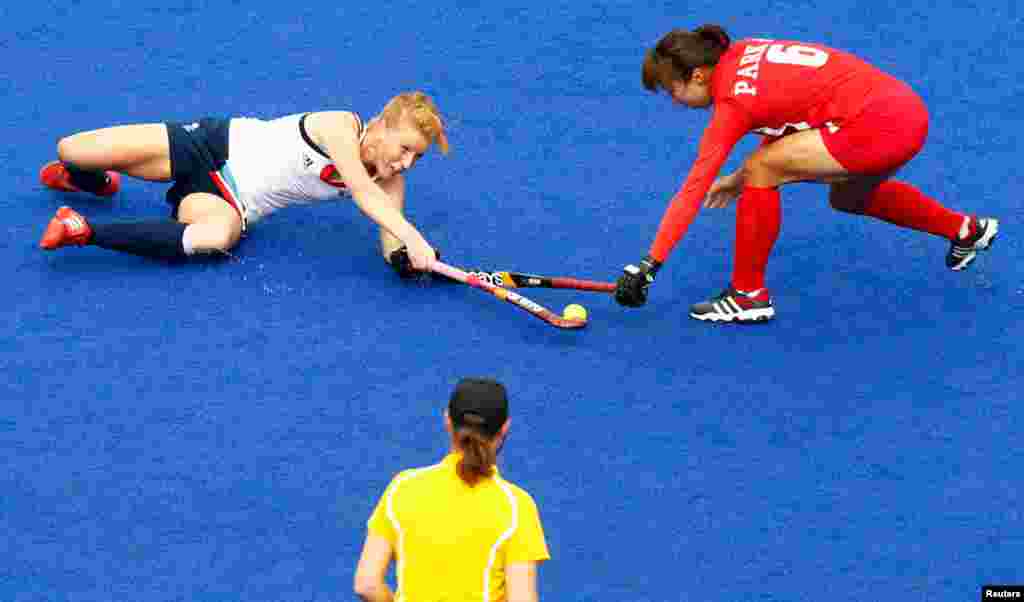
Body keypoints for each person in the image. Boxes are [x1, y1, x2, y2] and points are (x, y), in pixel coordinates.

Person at [613, 25, 999, 322]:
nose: (674, 102)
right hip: (903, 110)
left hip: (872, 126)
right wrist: (734, 181)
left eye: (671, 90)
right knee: (849, 197)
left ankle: (747, 296)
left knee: (763, 169)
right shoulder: (745, 50)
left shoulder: (732, 104)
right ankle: (965, 230)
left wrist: (650, 264)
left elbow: (694, 188)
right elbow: (789, 115)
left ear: (698, 76)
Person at [36, 91, 448, 275]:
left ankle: (85, 232)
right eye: (405, 148)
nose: (407, 162)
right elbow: (361, 192)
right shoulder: (340, 125)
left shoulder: (390, 184)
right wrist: (413, 238)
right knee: (71, 149)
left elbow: (391, 233)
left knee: (216, 238)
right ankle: (91, 181)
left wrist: (406, 259)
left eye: (417, 157)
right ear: (380, 125)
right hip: (209, 144)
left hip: (228, 199)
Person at [354, 378, 550, 602]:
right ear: (505, 428)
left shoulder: (402, 487)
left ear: (447, 420)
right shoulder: (517, 507)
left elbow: (367, 584)